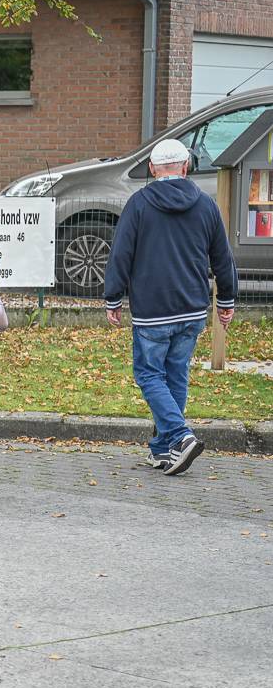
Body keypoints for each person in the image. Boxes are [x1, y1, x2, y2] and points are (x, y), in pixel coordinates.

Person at [103, 138, 236, 476]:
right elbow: (222, 256)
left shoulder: (139, 204)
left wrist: (113, 297)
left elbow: (121, 254)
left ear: (151, 168)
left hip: (152, 310)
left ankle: (180, 435)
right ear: (186, 167)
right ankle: (163, 450)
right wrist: (226, 300)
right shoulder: (206, 205)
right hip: (192, 308)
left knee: (148, 373)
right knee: (176, 374)